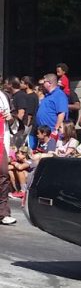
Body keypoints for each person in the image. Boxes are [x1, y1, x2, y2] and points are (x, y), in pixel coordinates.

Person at [34, 73, 68, 147]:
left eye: (44, 82)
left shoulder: (59, 94)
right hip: (42, 133)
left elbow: (61, 113)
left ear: (49, 83)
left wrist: (55, 130)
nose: (42, 84)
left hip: (52, 132)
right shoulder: (47, 96)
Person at [1, 88, 17, 225]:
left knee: (3, 174)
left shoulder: (4, 96)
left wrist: (10, 118)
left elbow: (13, 120)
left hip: (1, 141)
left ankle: (3, 212)